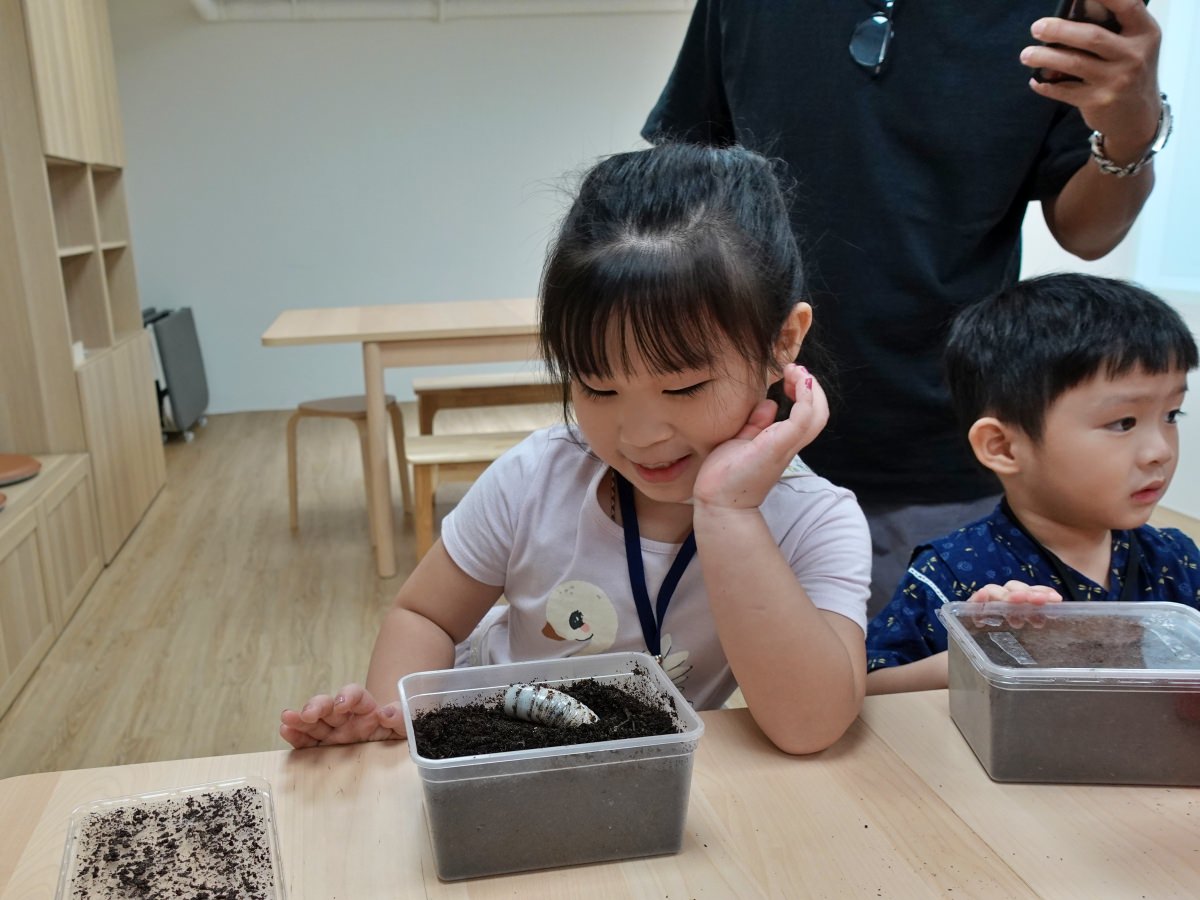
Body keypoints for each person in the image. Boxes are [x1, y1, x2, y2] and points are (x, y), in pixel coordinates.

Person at [281, 144, 872, 755]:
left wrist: (728, 511)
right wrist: (398, 724)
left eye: (683, 386)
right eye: (598, 387)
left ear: (784, 340)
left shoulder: (813, 519)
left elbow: (810, 725)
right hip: (489, 749)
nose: (640, 435)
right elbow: (426, 616)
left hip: (643, 786)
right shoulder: (535, 478)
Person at [642, 0, 1171, 617]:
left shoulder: (1052, 11)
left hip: (939, 449)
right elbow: (685, 187)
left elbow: (1087, 231)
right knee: (707, 693)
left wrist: (1131, 129)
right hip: (737, 437)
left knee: (916, 701)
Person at [865, 273, 1200, 694]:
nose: (1160, 451)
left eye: (1172, 415)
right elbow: (868, 685)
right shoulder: (954, 570)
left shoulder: (1174, 560)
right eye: (1123, 422)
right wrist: (975, 657)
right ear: (1003, 447)